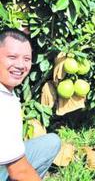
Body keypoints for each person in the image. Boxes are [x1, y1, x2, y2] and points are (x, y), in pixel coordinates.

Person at [0, 30, 61, 181]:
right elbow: (19, 171)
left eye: (27, 59)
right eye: (12, 57)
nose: (21, 65)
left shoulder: (7, 92)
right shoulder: (4, 102)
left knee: (52, 142)